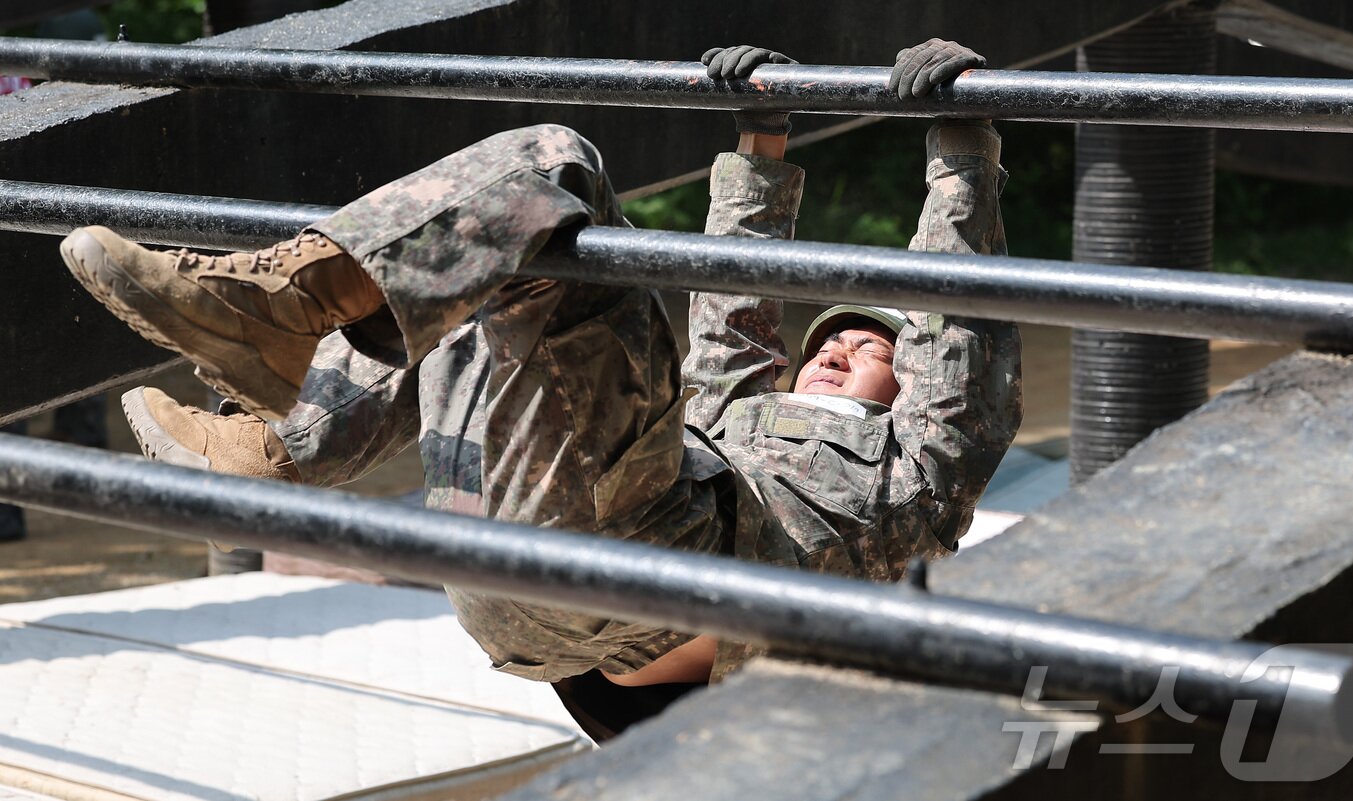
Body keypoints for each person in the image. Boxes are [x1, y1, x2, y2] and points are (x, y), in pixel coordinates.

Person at [62, 38, 1020, 695]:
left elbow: (956, 325)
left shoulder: (920, 480)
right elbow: (735, 325)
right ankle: (284, 440)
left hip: (650, 572)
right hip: (524, 562)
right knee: (495, 272)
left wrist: (962, 153)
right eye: (830, 342)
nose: (836, 352)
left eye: (869, 357)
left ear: (906, 398)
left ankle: (287, 333)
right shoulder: (740, 423)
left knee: (563, 167)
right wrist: (761, 139)